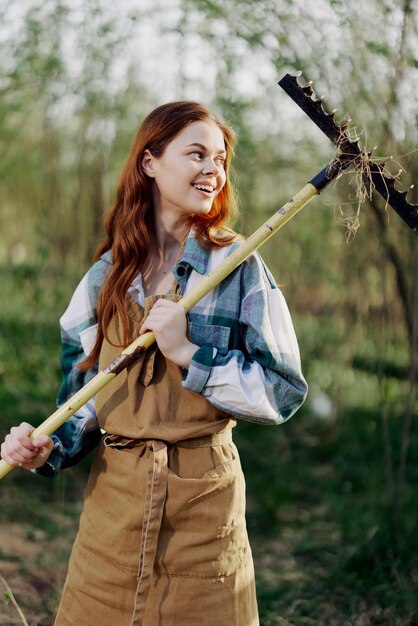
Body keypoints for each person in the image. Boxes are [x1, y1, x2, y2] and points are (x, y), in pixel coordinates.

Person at [0, 101, 308, 626]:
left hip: (202, 513)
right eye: (196, 154)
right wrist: (44, 446)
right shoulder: (104, 278)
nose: (213, 170)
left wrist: (189, 353)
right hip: (111, 512)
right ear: (149, 162)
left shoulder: (238, 268)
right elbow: (81, 402)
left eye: (221, 159)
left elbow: (281, 391)